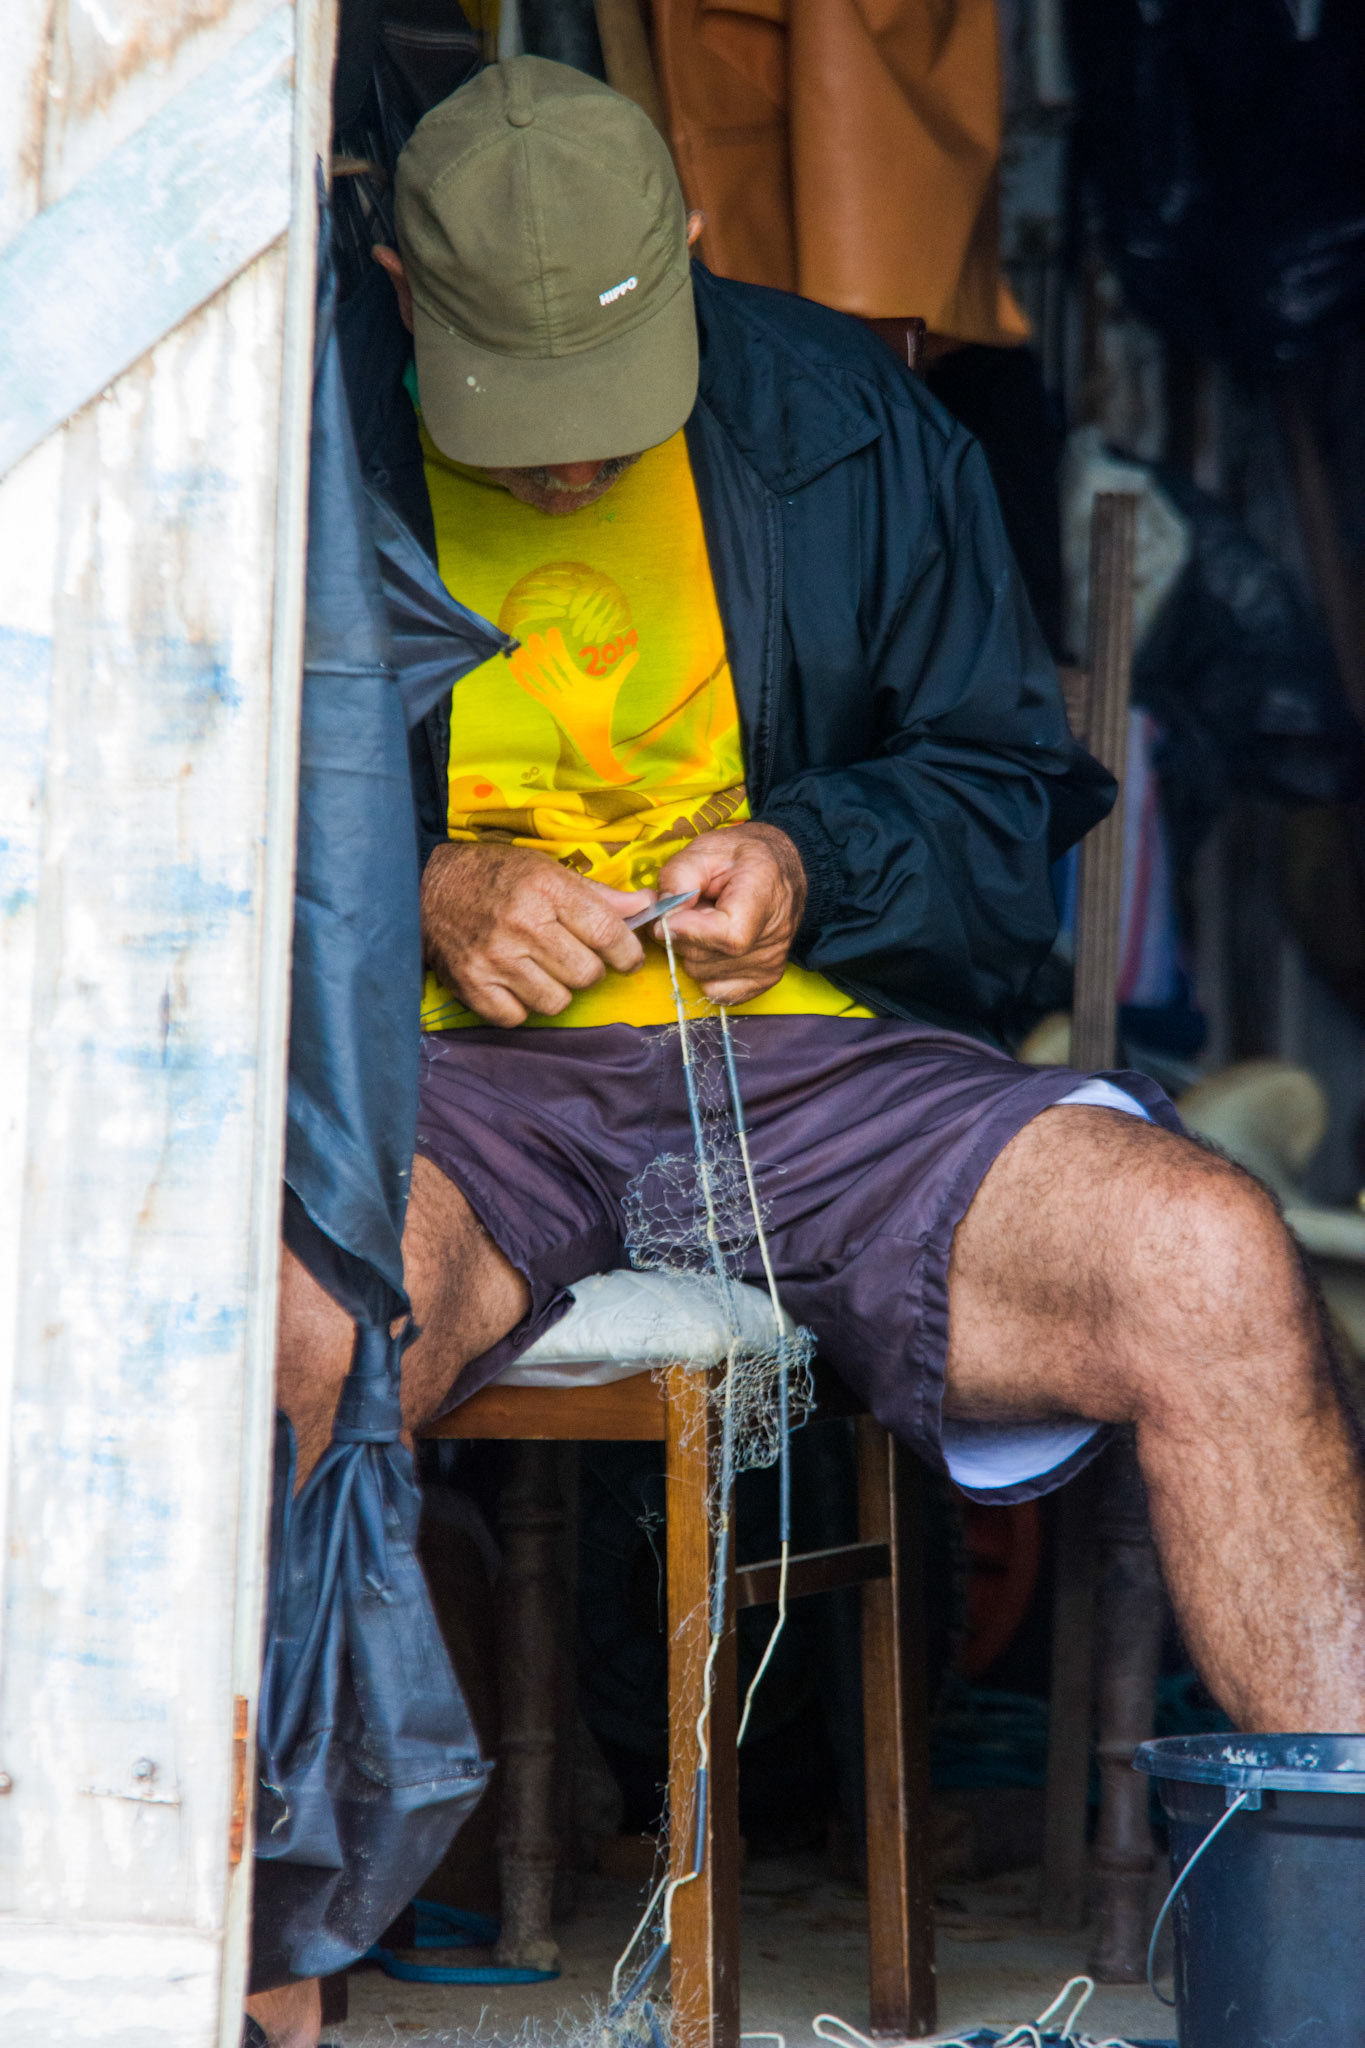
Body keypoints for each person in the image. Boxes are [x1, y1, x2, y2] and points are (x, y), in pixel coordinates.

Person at [250, 55, 1365, 2048]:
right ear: (400, 285)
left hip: (810, 1066)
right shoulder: (285, 425)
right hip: (443, 1084)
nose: (570, 465)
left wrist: (808, 854)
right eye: (521, 406)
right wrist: (418, 886)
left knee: (1204, 1259)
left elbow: (1002, 795)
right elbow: (152, 795)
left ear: (689, 248)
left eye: (607, 410)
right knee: (297, 1337)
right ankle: (238, 1982)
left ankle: (1342, 1959)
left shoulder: (844, 419)